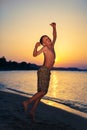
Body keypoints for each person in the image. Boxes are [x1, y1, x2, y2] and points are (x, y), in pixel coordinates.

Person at [23, 22, 57, 121]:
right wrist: (36, 46)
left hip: (47, 72)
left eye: (48, 38)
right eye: (46, 39)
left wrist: (54, 27)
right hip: (43, 71)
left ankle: (32, 111)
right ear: (44, 43)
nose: (48, 39)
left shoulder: (52, 46)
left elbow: (54, 36)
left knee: (41, 93)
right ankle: (27, 102)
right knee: (43, 91)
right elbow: (35, 54)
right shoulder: (45, 48)